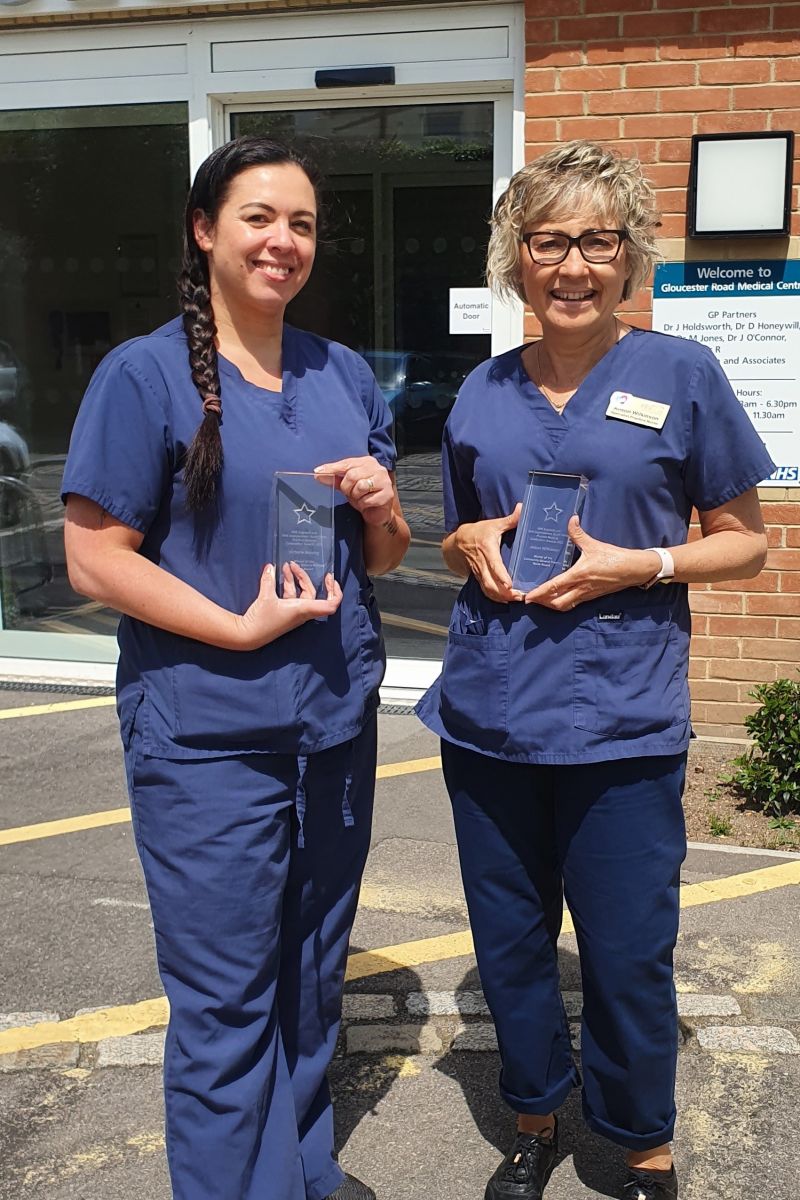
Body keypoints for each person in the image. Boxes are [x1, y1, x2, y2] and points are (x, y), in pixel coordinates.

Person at [416, 140, 773, 1200]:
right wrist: (465, 545)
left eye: (594, 241)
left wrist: (642, 563)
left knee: (625, 951)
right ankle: (531, 1119)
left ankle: (639, 1140)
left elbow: (742, 540)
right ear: (513, 259)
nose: (570, 264)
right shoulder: (479, 393)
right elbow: (455, 537)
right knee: (511, 941)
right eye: (546, 241)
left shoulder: (679, 373)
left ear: (627, 258)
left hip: (621, 719)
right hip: (488, 718)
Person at [62, 136, 410, 1200]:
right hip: (208, 737)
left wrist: (383, 511)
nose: (282, 241)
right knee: (224, 1004)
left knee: (311, 981)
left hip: (333, 725)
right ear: (204, 230)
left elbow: (381, 559)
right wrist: (235, 629)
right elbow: (91, 560)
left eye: (301, 223)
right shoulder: (143, 374)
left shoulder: (341, 371)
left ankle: (298, 1170)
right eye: (259, 216)